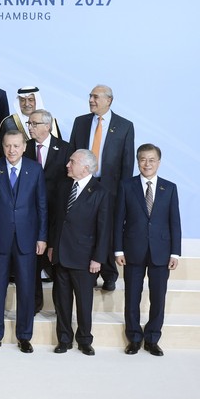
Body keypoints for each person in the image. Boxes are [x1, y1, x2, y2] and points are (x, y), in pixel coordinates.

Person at [0, 130, 47, 353]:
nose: (12, 150)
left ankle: (24, 336)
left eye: (16, 146)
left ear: (24, 147)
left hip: (27, 239)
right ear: (3, 146)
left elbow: (42, 206)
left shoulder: (35, 169)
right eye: (8, 146)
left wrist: (42, 237)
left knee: (26, 289)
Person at [114, 144, 181, 356]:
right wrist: (118, 250)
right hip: (133, 249)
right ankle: (134, 338)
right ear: (137, 161)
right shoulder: (127, 185)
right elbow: (118, 221)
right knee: (132, 296)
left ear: (159, 162)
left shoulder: (169, 188)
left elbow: (174, 222)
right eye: (143, 159)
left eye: (151, 160)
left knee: (158, 297)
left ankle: (152, 338)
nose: (147, 164)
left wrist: (175, 253)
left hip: (161, 251)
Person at [68, 84, 135, 291]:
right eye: (90, 96)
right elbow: (71, 152)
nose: (91, 100)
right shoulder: (80, 122)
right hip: (83, 183)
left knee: (107, 228)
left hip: (110, 187)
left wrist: (124, 193)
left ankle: (109, 273)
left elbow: (126, 162)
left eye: (96, 97)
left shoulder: (124, 126)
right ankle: (83, 267)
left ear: (109, 100)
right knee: (83, 227)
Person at [48, 149, 110, 356]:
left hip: (85, 259)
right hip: (61, 255)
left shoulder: (100, 192)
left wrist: (98, 258)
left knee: (84, 303)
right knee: (62, 302)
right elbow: (56, 220)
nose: (67, 164)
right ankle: (64, 339)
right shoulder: (64, 186)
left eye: (72, 161)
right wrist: (51, 246)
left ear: (85, 167)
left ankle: (84, 340)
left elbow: (104, 229)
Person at [24, 109, 72, 313]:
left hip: (57, 215)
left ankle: (60, 307)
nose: (31, 128)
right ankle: (35, 304)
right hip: (29, 215)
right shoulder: (24, 149)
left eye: (34, 124)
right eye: (30, 124)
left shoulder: (65, 149)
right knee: (33, 262)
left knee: (56, 262)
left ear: (47, 126)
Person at [0, 86, 62, 157]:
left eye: (30, 100)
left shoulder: (51, 121)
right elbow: (1, 152)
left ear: (37, 101)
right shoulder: (9, 122)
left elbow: (60, 149)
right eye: (22, 100)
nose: (26, 104)